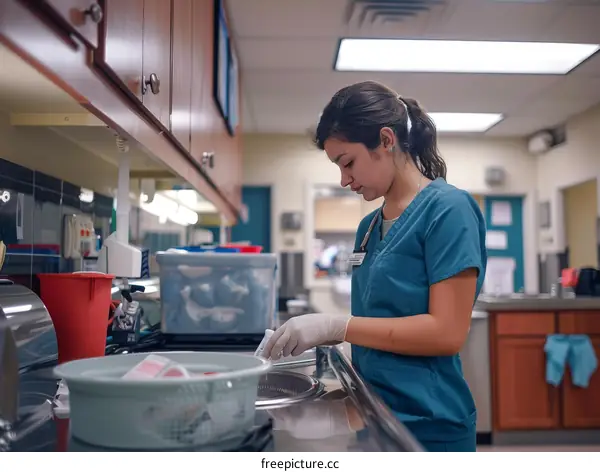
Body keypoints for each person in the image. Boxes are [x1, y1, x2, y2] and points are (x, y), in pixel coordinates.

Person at [263, 81, 488, 452]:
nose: (343, 179)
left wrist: (339, 325)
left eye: (348, 162)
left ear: (386, 140)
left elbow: (447, 332)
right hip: (371, 411)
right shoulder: (368, 228)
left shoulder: (449, 210)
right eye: (338, 167)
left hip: (427, 423)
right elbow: (381, 320)